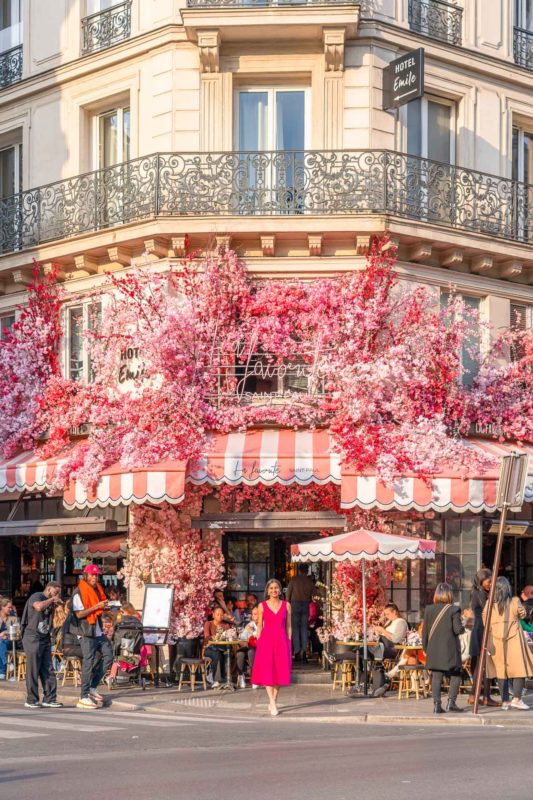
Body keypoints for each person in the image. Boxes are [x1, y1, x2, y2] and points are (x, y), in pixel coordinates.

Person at [483, 577, 533, 711]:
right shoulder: (515, 601)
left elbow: (484, 620)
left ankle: (505, 701)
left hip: (495, 640)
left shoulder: (489, 603)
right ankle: (517, 699)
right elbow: (522, 615)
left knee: (501, 670)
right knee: (519, 669)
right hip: (514, 638)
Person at [72, 564, 113, 709]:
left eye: (96, 575)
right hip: (84, 631)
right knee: (88, 661)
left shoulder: (97, 590)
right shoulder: (78, 592)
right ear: (86, 575)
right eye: (92, 575)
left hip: (97, 630)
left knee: (109, 655)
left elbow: (98, 609)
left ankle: (93, 686)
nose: (95, 577)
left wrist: (104, 607)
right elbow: (79, 614)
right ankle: (83, 697)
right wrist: (97, 607)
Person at [251, 578, 292, 716]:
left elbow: (289, 626)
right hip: (267, 641)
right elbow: (260, 627)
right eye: (271, 588)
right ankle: (273, 703)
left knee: (279, 671)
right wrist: (258, 641)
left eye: (276, 588)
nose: (274, 590)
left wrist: (289, 641)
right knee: (268, 671)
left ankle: (273, 699)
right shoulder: (262, 606)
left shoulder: (287, 605)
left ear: (280, 590)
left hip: (282, 640)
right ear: (267, 591)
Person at [422, 582, 464, 714]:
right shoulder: (454, 609)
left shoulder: (428, 609)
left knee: (436, 677)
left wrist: (426, 648)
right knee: (456, 675)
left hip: (433, 649)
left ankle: (437, 705)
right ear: (449, 594)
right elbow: (457, 630)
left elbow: (425, 632)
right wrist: (463, 626)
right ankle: (451, 702)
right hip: (450, 650)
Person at [20, 581, 63, 709]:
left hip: (44, 637)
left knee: (48, 668)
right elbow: (38, 607)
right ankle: (31, 699)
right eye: (55, 592)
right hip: (32, 636)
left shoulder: (50, 601)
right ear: (49, 589)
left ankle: (49, 698)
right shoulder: (37, 596)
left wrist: (59, 605)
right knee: (33, 668)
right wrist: (52, 600)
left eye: (58, 593)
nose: (56, 595)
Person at [468, 568, 499, 707]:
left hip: (477, 629)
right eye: (489, 581)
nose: (490, 583)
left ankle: (473, 696)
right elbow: (487, 611)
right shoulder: (481, 593)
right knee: (484, 665)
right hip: (482, 629)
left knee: (478, 664)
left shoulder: (476, 592)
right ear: (481, 580)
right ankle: (486, 697)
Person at [286, 565, 314, 662]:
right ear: (307, 570)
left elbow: (288, 593)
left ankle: (297, 651)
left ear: (299, 570)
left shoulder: (294, 580)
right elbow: (313, 594)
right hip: (305, 603)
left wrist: (287, 603)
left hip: (295, 603)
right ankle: (304, 652)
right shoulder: (309, 581)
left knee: (295, 629)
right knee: (304, 629)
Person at [203, 607, 230, 688]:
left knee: (228, 654)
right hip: (210, 648)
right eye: (218, 614)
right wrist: (216, 637)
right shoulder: (208, 623)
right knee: (217, 654)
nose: (220, 616)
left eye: (221, 615)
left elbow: (229, 635)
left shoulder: (226, 625)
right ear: (213, 615)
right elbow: (207, 637)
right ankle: (216, 680)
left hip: (223, 648)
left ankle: (227, 679)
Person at [236, 605, 260, 688]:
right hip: (249, 647)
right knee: (240, 654)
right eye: (253, 614)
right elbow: (242, 637)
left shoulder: (265, 624)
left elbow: (262, 636)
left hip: (261, 649)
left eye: (256, 614)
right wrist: (242, 640)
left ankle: (255, 677)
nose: (254, 616)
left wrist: (253, 632)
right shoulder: (250, 624)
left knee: (251, 652)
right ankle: (241, 676)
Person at [0, 596, 16, 680]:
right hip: (2, 642)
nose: (11, 609)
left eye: (11, 607)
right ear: (2, 607)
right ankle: (7, 663)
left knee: (0, 643)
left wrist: (6, 632)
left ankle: (2, 671)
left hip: (11, 641)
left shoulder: (13, 617)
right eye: (8, 607)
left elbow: (18, 631)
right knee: (0, 643)